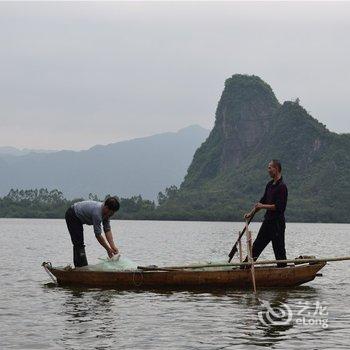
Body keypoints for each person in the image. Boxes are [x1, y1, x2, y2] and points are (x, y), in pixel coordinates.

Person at [244, 160, 288, 267]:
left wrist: (262, 206)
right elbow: (262, 201)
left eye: (270, 168)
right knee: (256, 246)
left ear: (276, 169)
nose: (268, 170)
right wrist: (250, 213)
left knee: (279, 250)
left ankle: (284, 271)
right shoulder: (269, 185)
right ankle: (245, 267)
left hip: (277, 224)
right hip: (267, 222)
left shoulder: (282, 187)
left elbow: (279, 207)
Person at [65, 197, 120, 267]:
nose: (111, 215)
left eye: (113, 213)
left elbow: (107, 230)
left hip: (79, 217)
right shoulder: (97, 213)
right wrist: (108, 249)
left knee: (79, 243)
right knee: (78, 243)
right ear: (106, 208)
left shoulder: (106, 214)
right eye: (111, 213)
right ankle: (80, 268)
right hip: (72, 215)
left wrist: (112, 246)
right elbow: (98, 235)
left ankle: (81, 267)